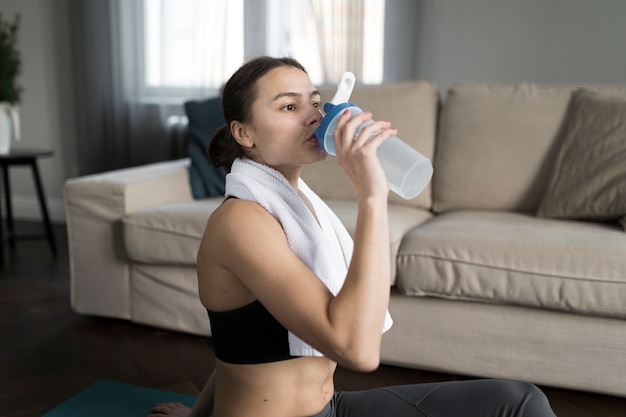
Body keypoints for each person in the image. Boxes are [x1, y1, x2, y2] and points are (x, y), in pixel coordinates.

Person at [149, 56, 557, 417]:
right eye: (289, 106)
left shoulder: (297, 204)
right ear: (244, 133)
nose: (312, 115)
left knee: (519, 402)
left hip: (328, 408)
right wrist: (372, 195)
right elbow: (356, 350)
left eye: (314, 102)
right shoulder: (241, 221)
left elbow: (236, 347)